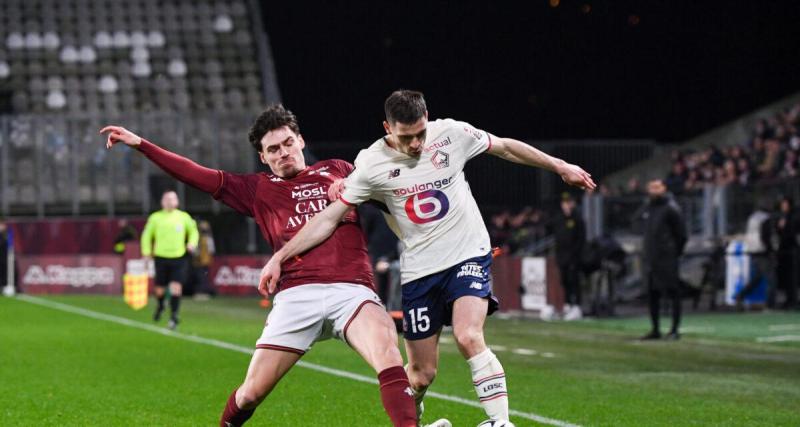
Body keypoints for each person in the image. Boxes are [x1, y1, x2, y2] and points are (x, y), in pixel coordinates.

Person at [260, 90, 595, 426]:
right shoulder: (371, 164)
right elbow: (330, 218)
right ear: (387, 128)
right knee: (421, 375)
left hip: (468, 253)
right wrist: (281, 257)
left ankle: (501, 422)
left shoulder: (452, 134)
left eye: (421, 133)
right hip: (420, 271)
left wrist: (560, 165)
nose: (417, 143)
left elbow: (505, 146)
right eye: (407, 137)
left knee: (468, 336)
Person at [100, 104, 435, 427]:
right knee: (249, 395)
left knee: (388, 354)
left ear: (301, 141)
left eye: (288, 143)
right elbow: (195, 174)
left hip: (352, 290)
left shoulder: (340, 170)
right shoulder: (257, 188)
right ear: (263, 157)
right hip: (296, 296)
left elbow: (398, 188)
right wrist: (141, 145)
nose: (283, 152)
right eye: (272, 149)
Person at [141, 190, 199, 329]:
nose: (169, 201)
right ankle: (161, 305)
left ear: (177, 201)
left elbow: (193, 231)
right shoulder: (155, 217)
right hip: (160, 257)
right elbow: (146, 236)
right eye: (167, 199)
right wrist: (147, 253)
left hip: (179, 257)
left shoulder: (183, 217)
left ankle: (174, 316)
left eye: (172, 198)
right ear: (162, 202)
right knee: (160, 289)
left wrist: (192, 243)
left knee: (176, 287)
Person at [639, 179, 687, 340]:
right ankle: (655, 329)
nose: (653, 190)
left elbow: (682, 235)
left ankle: (674, 329)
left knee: (673, 292)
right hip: (651, 258)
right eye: (651, 187)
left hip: (667, 258)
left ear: (664, 188)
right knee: (652, 294)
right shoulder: (648, 208)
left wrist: (673, 252)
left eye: (657, 187)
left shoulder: (671, 209)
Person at [735, 197, 777, 309]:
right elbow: (766, 237)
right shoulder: (766, 219)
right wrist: (771, 250)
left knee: (757, 278)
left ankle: (740, 295)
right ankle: (770, 305)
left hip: (753, 250)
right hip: (762, 251)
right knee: (771, 279)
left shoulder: (753, 217)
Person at [554, 192, 586, 320]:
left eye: (568, 202)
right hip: (561, 255)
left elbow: (581, 238)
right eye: (564, 203)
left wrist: (576, 254)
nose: (566, 205)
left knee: (574, 280)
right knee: (564, 280)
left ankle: (577, 306)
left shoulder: (577, 218)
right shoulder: (559, 218)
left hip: (574, 256)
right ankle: (567, 304)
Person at [775, 196, 797, 309]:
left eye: (785, 203)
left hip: (791, 250)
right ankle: (789, 300)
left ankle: (793, 300)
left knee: (792, 277)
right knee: (786, 277)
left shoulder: (793, 216)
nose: (783, 206)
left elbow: (792, 233)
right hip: (783, 251)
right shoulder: (781, 216)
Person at [191, 220, 217, 298]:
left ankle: (203, 292)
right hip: (199, 262)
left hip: (204, 262)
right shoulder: (199, 238)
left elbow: (211, 250)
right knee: (200, 277)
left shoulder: (207, 238)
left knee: (203, 277)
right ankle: (200, 292)